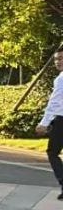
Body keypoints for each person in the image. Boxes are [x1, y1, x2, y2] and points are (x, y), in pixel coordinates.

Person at [34, 50, 63, 200]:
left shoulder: (61, 79)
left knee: (52, 152)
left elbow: (55, 103)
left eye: (61, 58)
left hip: (61, 120)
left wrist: (44, 123)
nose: (58, 62)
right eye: (56, 59)